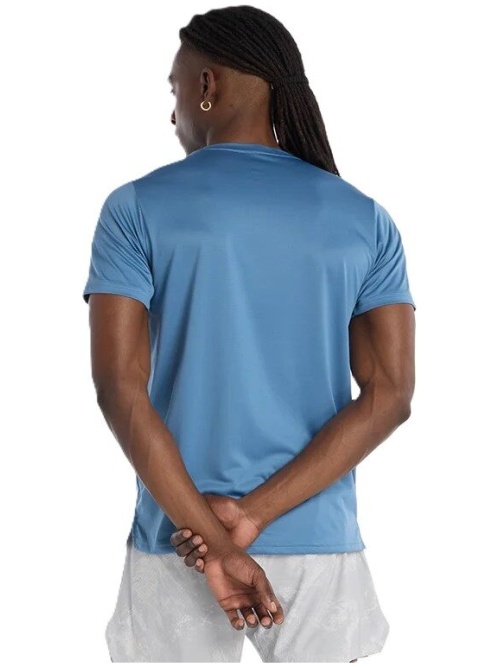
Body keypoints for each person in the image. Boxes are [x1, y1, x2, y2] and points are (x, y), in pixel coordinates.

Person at [82, 5, 416, 663]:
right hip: (318, 545)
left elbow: (120, 389)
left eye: (175, 89)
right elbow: (391, 395)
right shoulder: (365, 218)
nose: (173, 112)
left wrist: (214, 538)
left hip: (180, 540)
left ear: (207, 85)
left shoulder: (135, 208)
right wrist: (253, 515)